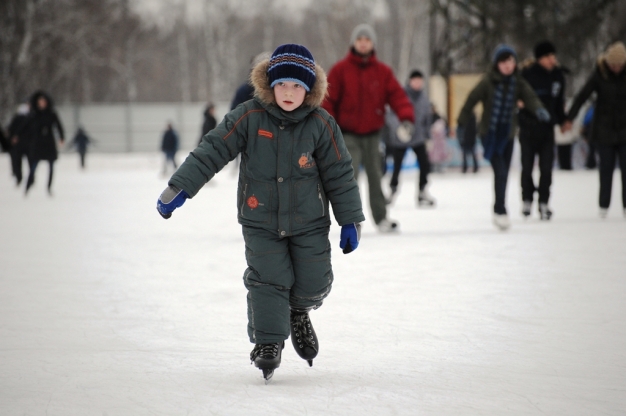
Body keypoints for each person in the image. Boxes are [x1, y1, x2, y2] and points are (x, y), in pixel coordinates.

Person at [156, 44, 364, 381]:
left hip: (308, 222)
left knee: (315, 282)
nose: (289, 92)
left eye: (297, 85)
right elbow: (213, 149)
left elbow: (340, 173)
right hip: (261, 220)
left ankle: (298, 310)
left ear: (309, 89)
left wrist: (350, 219)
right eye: (282, 84)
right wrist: (180, 187)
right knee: (269, 280)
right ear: (270, 84)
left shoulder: (321, 124)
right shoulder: (249, 115)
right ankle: (269, 342)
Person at [323, 23, 414, 233]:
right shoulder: (340, 70)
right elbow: (327, 101)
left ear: (372, 44)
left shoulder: (382, 72)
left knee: (375, 175)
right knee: (350, 176)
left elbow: (398, 96)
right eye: (360, 40)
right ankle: (352, 220)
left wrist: (406, 118)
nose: (363, 44)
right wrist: (328, 127)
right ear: (354, 43)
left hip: (374, 134)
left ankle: (381, 218)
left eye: (367, 40)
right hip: (348, 135)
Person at [457, 44, 548, 230]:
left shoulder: (517, 82)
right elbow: (471, 99)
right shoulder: (488, 81)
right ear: (497, 64)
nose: (508, 66)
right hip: (489, 134)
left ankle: (500, 208)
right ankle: (500, 210)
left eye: (511, 61)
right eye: (504, 62)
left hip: (507, 134)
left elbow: (530, 97)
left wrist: (539, 110)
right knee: (501, 171)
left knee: (504, 172)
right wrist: (461, 122)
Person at [565, 41, 626, 218]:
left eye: (619, 65)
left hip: (624, 130)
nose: (616, 68)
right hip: (604, 129)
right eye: (613, 64)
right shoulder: (600, 74)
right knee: (605, 168)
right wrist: (569, 118)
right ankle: (603, 205)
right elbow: (582, 95)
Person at [518, 41, 568, 220]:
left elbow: (558, 103)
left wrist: (563, 121)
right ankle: (527, 199)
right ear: (539, 58)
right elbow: (518, 94)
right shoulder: (527, 74)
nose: (552, 60)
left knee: (547, 169)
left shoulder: (558, 76)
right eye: (548, 57)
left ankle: (544, 202)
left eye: (553, 56)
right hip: (528, 127)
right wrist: (519, 104)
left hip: (547, 130)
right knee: (526, 168)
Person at [385, 69, 435, 206]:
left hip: (418, 137)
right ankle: (392, 190)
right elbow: (390, 114)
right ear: (410, 81)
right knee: (397, 166)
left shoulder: (424, 98)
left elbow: (427, 119)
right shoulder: (401, 94)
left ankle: (422, 191)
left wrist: (428, 137)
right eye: (415, 81)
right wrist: (398, 128)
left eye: (420, 81)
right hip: (401, 138)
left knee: (424, 164)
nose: (418, 83)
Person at [23, 91, 64, 196]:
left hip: (49, 142)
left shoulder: (51, 114)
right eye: (40, 101)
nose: (42, 103)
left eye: (44, 101)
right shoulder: (34, 114)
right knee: (34, 166)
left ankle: (49, 187)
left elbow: (58, 126)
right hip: (38, 143)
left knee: (51, 166)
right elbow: (25, 127)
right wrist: (18, 137)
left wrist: (61, 137)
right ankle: (27, 186)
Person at [7, 102, 30, 185]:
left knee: (18, 162)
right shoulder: (28, 119)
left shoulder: (16, 118)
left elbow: (9, 129)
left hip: (18, 145)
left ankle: (19, 177)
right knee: (30, 161)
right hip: (27, 144)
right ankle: (31, 178)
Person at [581, 103, 597, 169]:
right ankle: (591, 164)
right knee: (592, 149)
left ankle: (591, 164)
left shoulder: (592, 109)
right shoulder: (593, 109)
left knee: (592, 149)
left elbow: (586, 121)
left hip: (592, 132)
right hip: (594, 132)